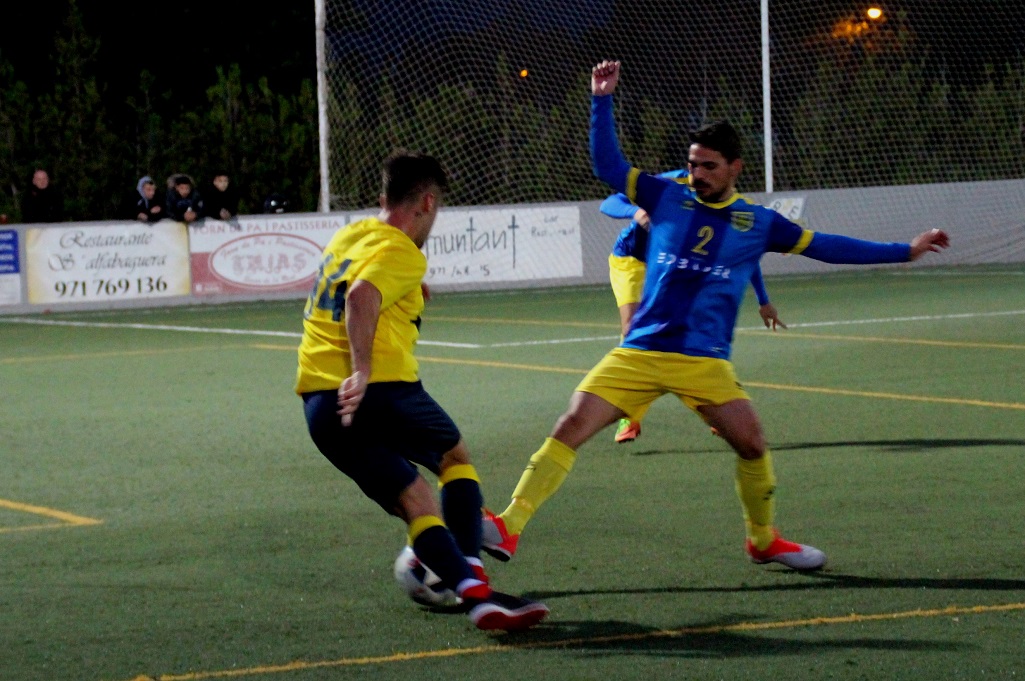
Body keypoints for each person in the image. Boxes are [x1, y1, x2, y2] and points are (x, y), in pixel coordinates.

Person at [482, 60, 949, 571]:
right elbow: (608, 166)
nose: (697, 174)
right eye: (692, 164)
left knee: (752, 444)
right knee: (571, 424)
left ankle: (763, 540)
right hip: (641, 351)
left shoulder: (758, 222)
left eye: (708, 166)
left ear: (734, 168)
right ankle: (509, 525)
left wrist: (904, 251)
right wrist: (601, 99)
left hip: (703, 361)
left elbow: (827, 247)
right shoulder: (665, 196)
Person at [295, 150, 548, 631]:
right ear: (428, 202)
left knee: (416, 501)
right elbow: (362, 295)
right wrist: (362, 370)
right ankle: (473, 568)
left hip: (321, 405)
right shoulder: (402, 251)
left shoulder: (348, 236)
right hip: (382, 389)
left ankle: (477, 599)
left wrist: (411, 290)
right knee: (454, 458)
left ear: (382, 198)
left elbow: (352, 285)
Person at [602, 172, 786, 443]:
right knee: (632, 330)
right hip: (630, 260)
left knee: (692, 335)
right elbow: (609, 202)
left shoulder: (726, 210)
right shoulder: (673, 182)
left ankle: (717, 411)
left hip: (671, 264)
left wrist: (764, 300)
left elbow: (744, 257)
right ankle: (629, 417)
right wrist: (638, 212)